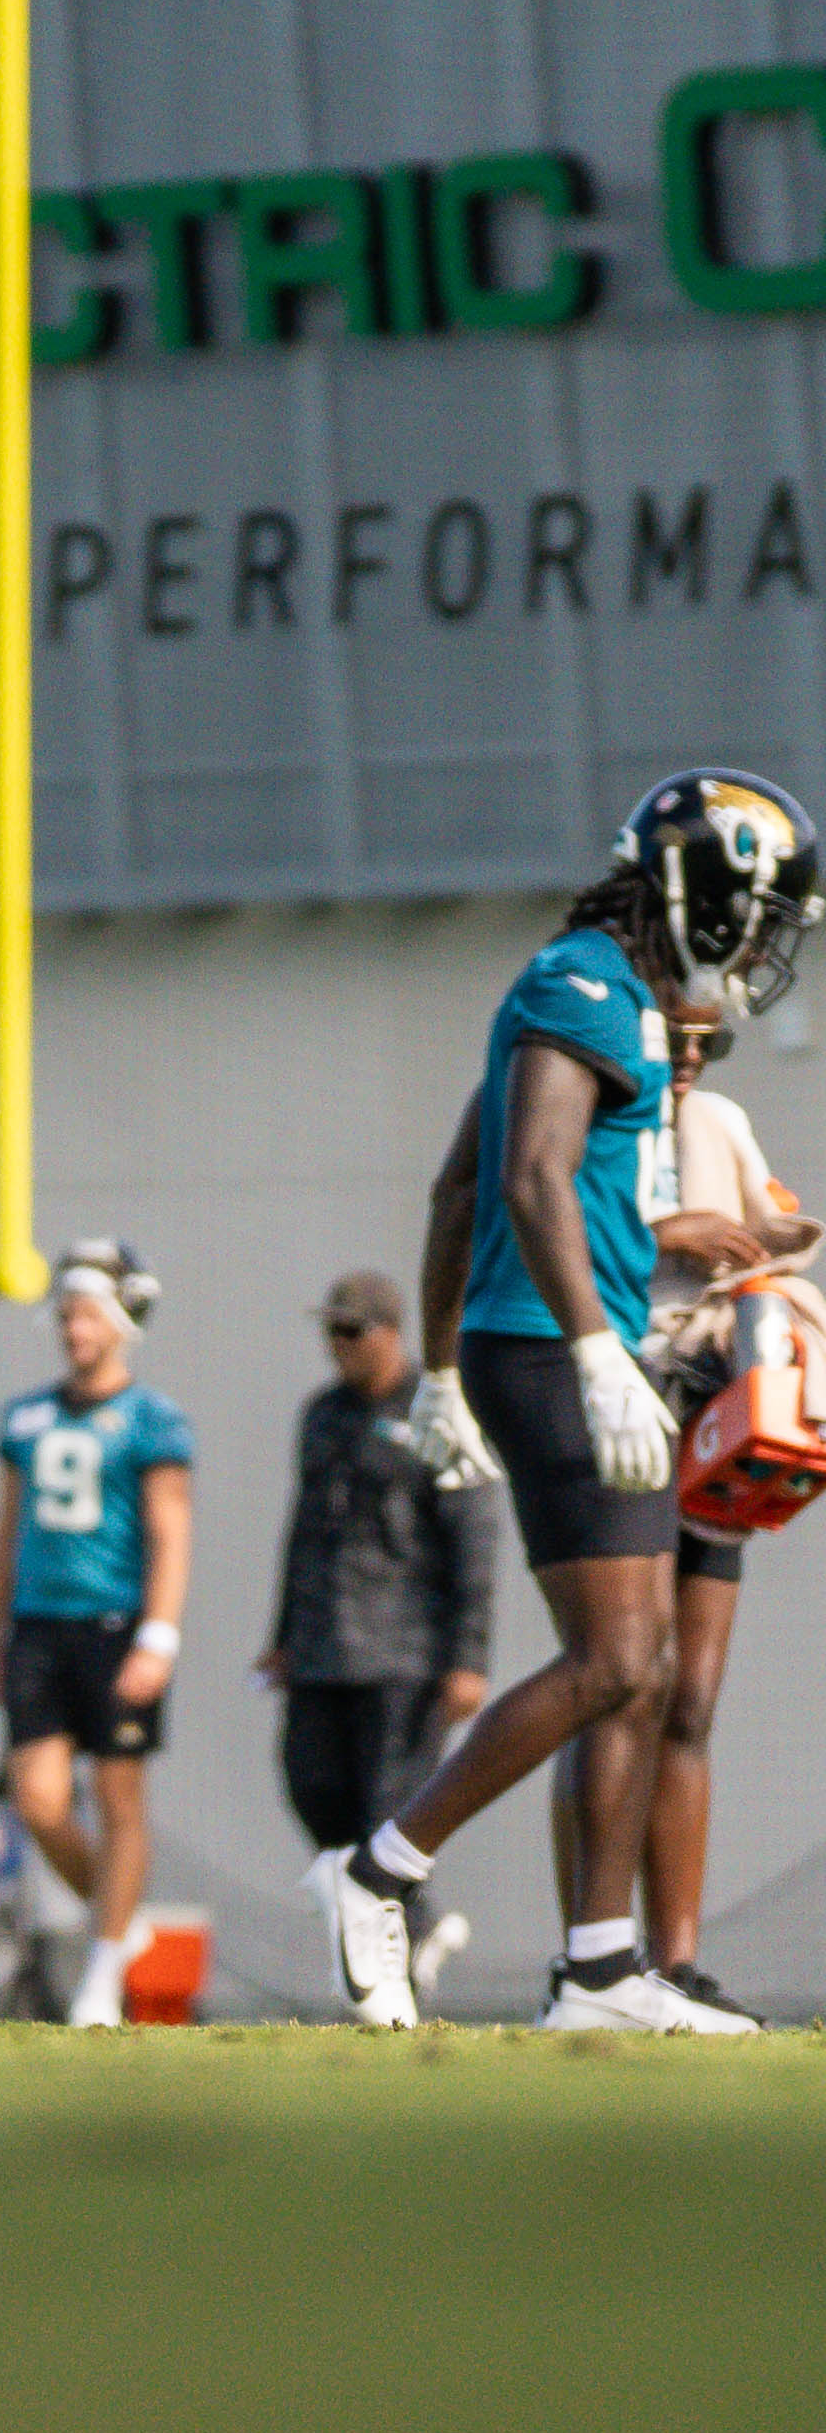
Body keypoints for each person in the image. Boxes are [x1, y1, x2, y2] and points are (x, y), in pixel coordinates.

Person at [320, 773, 819, 2033]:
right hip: (556, 1347)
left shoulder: (624, 1004)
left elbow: (453, 1189)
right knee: (612, 1659)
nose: (763, 948)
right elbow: (532, 1175)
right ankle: (378, 1871)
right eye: (758, 916)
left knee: (642, 1671)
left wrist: (437, 1373)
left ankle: (599, 1968)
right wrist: (595, 1351)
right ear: (705, 894)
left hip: (558, 1344)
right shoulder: (580, 983)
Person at [629, 1007, 820, 2012]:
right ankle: (596, 1954)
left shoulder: (719, 1122)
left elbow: (772, 1230)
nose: (691, 1060)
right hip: (623, 1401)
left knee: (691, 1699)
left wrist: (763, 1255)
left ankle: (676, 1962)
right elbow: (547, 1225)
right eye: (678, 1038)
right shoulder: (600, 1118)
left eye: (706, 1042)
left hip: (709, 1406)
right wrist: (668, 1232)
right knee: (620, 1679)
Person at [254, 1268, 493, 2006]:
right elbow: (300, 1531)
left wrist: (467, 1658)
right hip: (323, 1647)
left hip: (404, 1653)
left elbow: (473, 1537)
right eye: (330, 1330)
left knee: (385, 1809)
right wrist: (283, 1635)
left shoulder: (434, 1410)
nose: (337, 1346)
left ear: (389, 1334)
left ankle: (388, 1957)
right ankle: (415, 1921)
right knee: (311, 1786)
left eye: (350, 1331)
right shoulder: (319, 1414)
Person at [0, 1244, 192, 2025]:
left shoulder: (150, 1418)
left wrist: (158, 1636)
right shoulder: (25, 1415)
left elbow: (171, 1530)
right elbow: (5, 1530)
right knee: (36, 1798)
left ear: (122, 1320)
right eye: (66, 1313)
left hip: (114, 1623)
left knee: (117, 1795)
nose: (74, 1328)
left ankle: (103, 1975)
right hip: (38, 1624)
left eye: (88, 1312)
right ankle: (119, 1918)